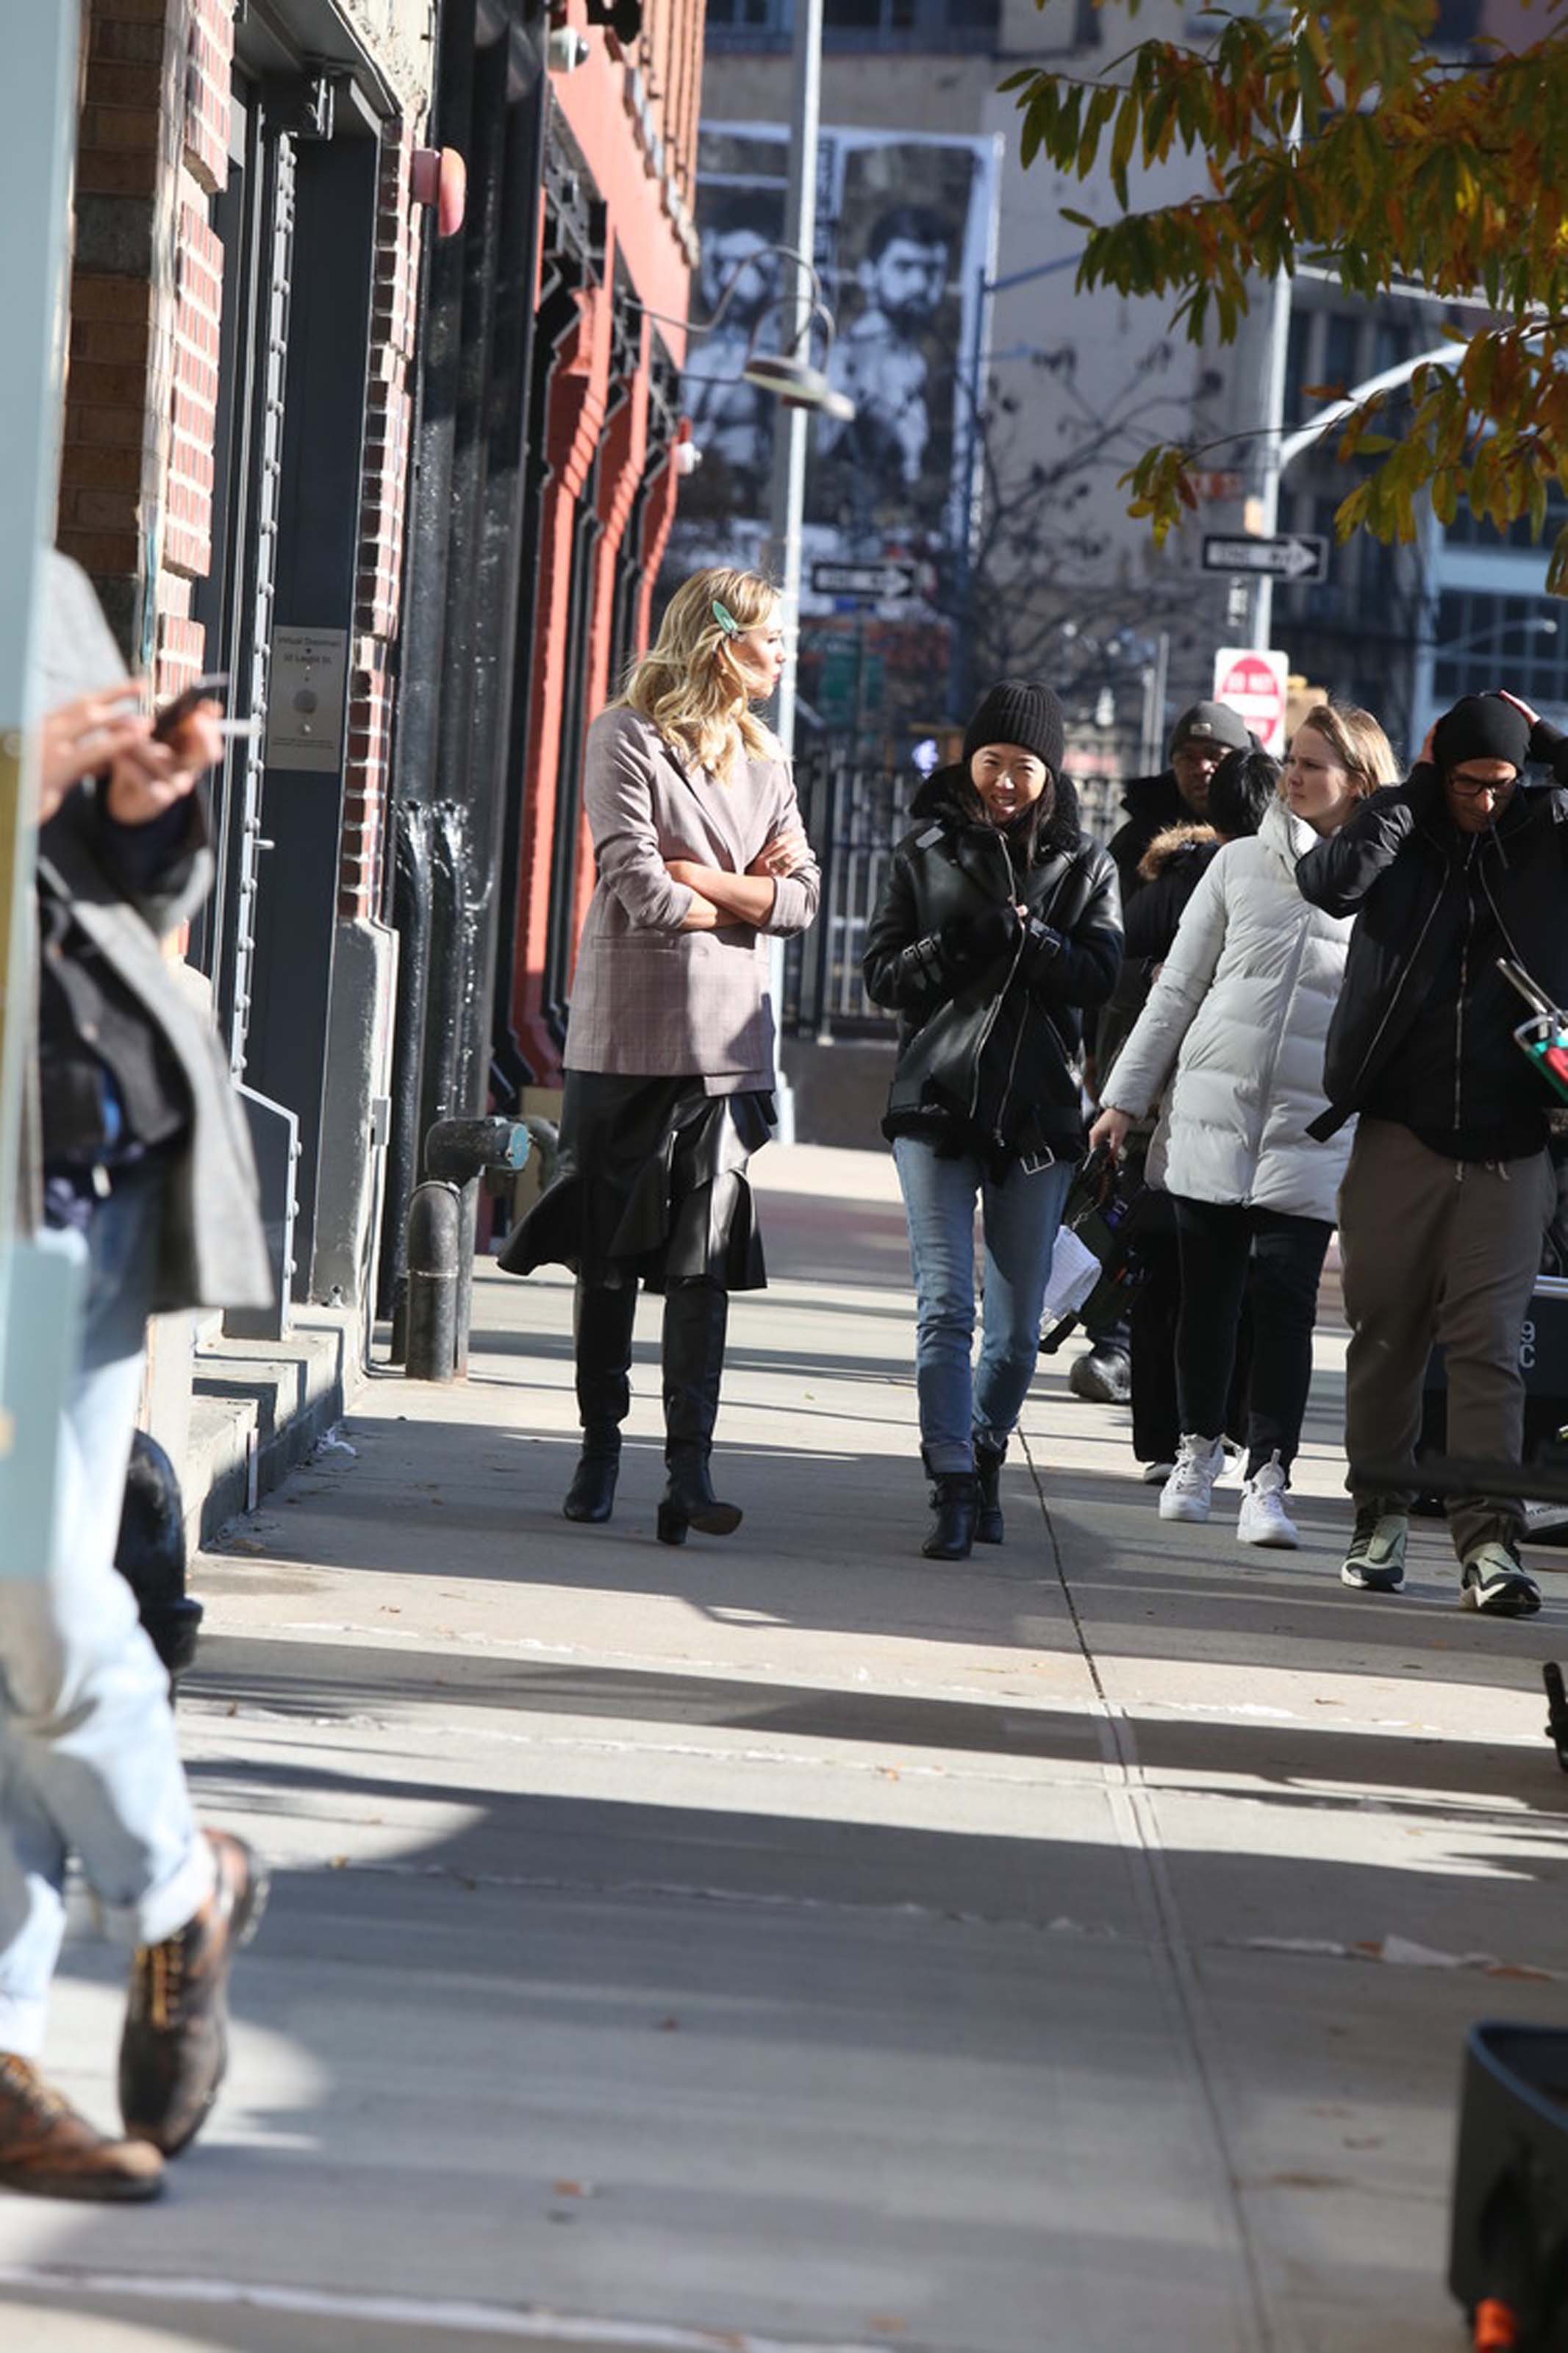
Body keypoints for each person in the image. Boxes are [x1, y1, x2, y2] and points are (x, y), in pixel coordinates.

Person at [0, 551, 271, 2201]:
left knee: (31, 1584)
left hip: (56, 1184)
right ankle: (177, 1891)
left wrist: (141, 810)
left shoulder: (38, 572)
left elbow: (112, 898)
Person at [500, 568, 819, 1544]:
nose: (784, 655)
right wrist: (739, 897)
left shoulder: (766, 760)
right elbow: (639, 885)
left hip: (727, 1053)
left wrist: (709, 881)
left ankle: (690, 1471)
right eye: (772, 639)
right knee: (605, 1257)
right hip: (629, 1037)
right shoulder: (624, 735)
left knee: (701, 1266)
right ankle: (600, 1449)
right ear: (723, 641)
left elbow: (803, 898)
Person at [1091, 704, 1400, 1546]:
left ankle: (1271, 1476)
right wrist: (1125, 1097)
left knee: (1284, 1303)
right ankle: (1197, 1452)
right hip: (1212, 1111)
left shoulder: (1387, 875)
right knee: (1209, 1299)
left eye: (1313, 764)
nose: (1292, 775)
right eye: (1291, 760)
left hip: (1311, 1126)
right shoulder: (1236, 864)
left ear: (1360, 782)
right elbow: (1176, 990)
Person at [1297, 690, 1568, 1616]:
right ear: (1437, 769)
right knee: (1387, 1335)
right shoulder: (1401, 828)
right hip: (1399, 1133)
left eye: (1502, 784)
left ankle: (1490, 1541)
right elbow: (1330, 881)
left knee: (1489, 1351)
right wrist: (1409, 792)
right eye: (1467, 783)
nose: (1486, 802)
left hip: (1514, 1142)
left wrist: (1547, 744)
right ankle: (1378, 1516)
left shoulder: (1546, 834)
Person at [862, 679, 1123, 1560]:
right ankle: (952, 1479)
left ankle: (982, 1449)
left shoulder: (1088, 867)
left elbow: (1101, 974)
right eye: (992, 763)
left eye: (1024, 766)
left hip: (1040, 1120)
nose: (1007, 781)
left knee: (1014, 1333)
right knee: (945, 1306)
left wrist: (1037, 944)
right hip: (935, 1103)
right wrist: (960, 940)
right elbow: (883, 973)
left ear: (1050, 774)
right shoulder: (923, 850)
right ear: (968, 764)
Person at [1072, 698, 1255, 1404]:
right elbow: (1103, 956)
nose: (1200, 767)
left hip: (1221, 1068)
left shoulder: (1267, 847)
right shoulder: (1131, 847)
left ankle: (1186, 1372)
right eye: (1187, 755)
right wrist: (1103, 1050)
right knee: (1131, 1208)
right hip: (1139, 1050)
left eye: (1216, 756)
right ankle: (1113, 1348)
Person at [1109, 746, 1281, 1482]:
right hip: (1225, 1112)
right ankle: (1226, 1430)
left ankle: (1163, 1438)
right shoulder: (1279, 888)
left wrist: (1120, 1093)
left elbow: (1133, 994)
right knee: (1235, 1285)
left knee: (1166, 1284)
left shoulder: (1170, 879)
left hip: (1159, 1109)